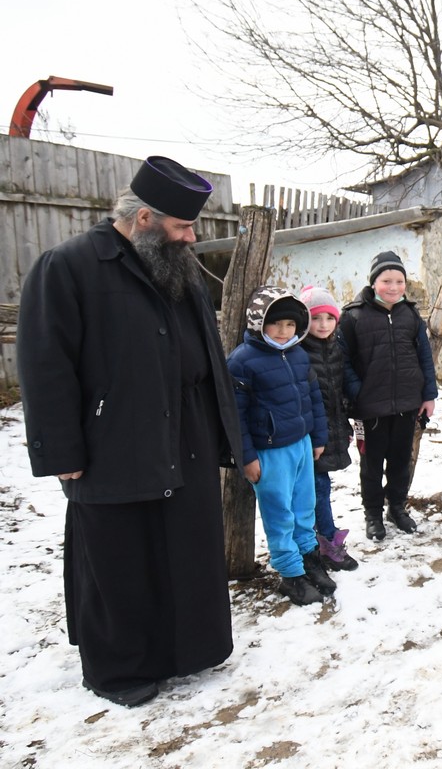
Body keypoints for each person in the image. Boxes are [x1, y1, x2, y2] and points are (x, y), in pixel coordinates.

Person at [17, 155, 243, 707]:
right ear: (144, 219)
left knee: (183, 548)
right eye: (183, 226)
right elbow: (45, 365)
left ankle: (184, 651)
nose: (191, 238)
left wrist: (223, 431)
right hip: (111, 439)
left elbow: (208, 355)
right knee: (121, 558)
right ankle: (119, 669)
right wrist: (61, 450)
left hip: (185, 430)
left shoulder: (175, 266)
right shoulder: (67, 266)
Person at [227, 286, 335, 606]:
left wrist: (318, 438)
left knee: (304, 507)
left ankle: (308, 562)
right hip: (270, 451)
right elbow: (235, 415)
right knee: (280, 514)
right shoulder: (242, 361)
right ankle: (290, 575)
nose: (284, 331)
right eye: (276, 325)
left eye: (290, 325)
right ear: (259, 324)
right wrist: (246, 457)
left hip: (301, 444)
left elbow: (313, 398)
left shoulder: (299, 354)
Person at [340, 251, 438, 540]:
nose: (393, 287)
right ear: (373, 283)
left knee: (399, 461)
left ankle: (397, 507)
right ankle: (373, 514)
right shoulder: (353, 316)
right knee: (371, 466)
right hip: (371, 410)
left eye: (399, 281)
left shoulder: (410, 314)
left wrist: (428, 395)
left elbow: (424, 357)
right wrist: (359, 392)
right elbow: (343, 361)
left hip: (407, 404)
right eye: (386, 281)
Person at [299, 285, 359, 572]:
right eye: (315, 318)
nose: (323, 325)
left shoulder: (335, 349)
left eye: (329, 318)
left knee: (319, 490)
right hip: (309, 437)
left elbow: (338, 395)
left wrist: (346, 423)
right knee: (318, 490)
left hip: (333, 431)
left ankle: (317, 543)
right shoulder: (299, 353)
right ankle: (325, 544)